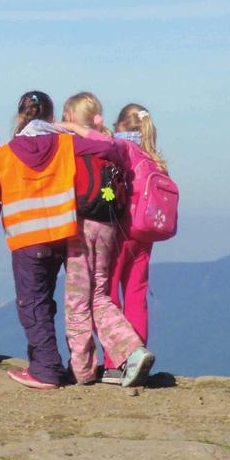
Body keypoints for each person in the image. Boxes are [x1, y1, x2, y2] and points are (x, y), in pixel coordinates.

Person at [0, 91, 125, 389]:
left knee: (32, 303)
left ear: (19, 117)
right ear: (52, 118)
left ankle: (45, 368)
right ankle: (54, 362)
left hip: (25, 238)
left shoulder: (5, 153)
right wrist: (77, 128)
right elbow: (106, 146)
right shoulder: (64, 143)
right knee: (46, 301)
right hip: (58, 236)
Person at [58, 102, 167, 383]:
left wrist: (74, 128)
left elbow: (104, 149)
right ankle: (138, 353)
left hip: (121, 230)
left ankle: (115, 362)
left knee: (106, 295)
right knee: (136, 293)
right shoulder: (154, 157)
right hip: (147, 234)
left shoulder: (121, 147)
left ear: (120, 126)